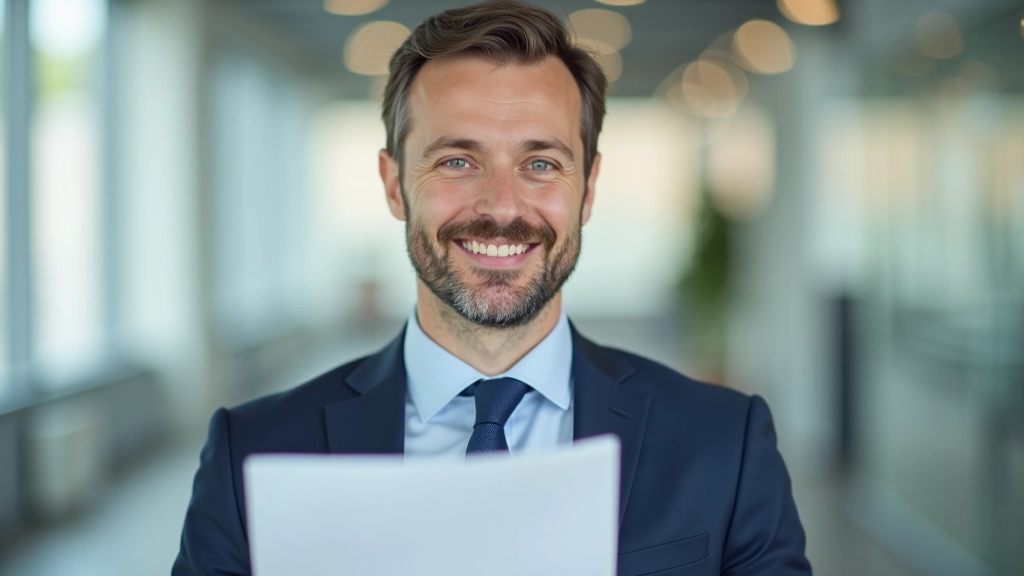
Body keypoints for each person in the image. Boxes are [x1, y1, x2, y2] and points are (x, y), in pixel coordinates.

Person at [172, 1, 811, 574]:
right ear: (394, 185)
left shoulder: (723, 444)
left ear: (586, 189)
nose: (502, 207)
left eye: (540, 164)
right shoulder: (251, 453)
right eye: (458, 160)